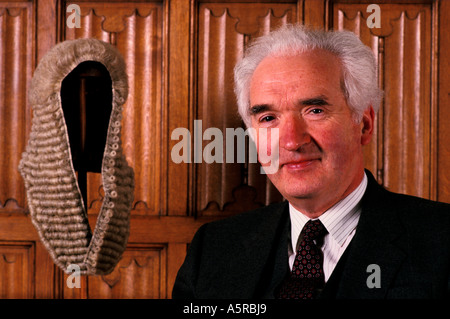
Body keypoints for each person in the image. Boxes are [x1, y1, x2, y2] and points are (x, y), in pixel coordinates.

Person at [172, 24, 450, 299]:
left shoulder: (442, 241)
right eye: (268, 118)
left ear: (364, 125)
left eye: (315, 110)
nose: (292, 141)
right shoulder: (213, 250)